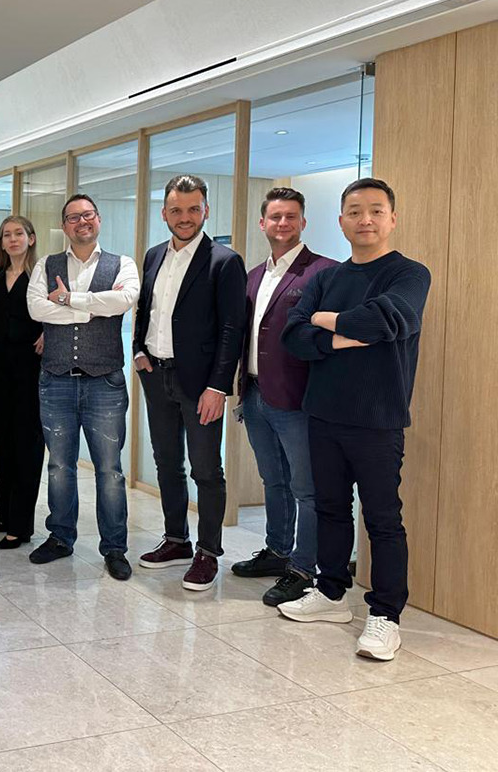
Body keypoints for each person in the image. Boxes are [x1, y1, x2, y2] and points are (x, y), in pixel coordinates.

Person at [278, 178, 430, 662]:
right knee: (330, 509)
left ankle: (386, 615)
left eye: (376, 210)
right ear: (341, 221)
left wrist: (324, 320)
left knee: (383, 519)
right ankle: (330, 593)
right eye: (355, 211)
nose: (366, 219)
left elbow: (387, 320)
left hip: (378, 419)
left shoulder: (409, 274)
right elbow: (292, 336)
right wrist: (340, 333)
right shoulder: (326, 278)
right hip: (323, 413)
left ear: (392, 219)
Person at [134, 175, 247, 591]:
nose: (185, 217)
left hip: (201, 385)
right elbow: (145, 310)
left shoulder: (224, 261)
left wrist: (218, 387)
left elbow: (232, 329)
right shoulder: (153, 256)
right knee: (167, 463)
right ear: (164, 213)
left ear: (206, 211)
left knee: (206, 469)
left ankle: (208, 552)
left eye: (193, 209)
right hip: (156, 375)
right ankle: (176, 540)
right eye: (177, 210)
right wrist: (138, 350)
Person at [232, 188, 337, 607]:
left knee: (305, 489)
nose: (282, 223)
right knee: (272, 480)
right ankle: (277, 550)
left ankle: (303, 568)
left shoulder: (323, 272)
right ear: (263, 223)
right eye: (275, 217)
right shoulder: (253, 275)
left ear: (303, 223)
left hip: (297, 399)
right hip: (255, 393)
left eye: (291, 216)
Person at [26, 198, 140, 574]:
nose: (81, 222)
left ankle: (115, 548)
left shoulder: (122, 264)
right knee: (60, 466)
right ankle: (61, 537)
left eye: (87, 215)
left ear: (98, 220)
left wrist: (68, 299)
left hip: (104, 382)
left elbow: (124, 300)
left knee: (110, 470)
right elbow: (36, 308)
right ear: (64, 226)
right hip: (56, 379)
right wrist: (92, 309)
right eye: (73, 218)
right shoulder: (46, 265)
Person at [0, 215, 46, 550]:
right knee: (1, 441)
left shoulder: (41, 274)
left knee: (26, 444)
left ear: (31, 238)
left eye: (18, 233)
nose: (12, 239)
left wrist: (48, 334)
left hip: (29, 367)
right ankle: (6, 514)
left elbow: (54, 314)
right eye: (6, 234)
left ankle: (20, 525)